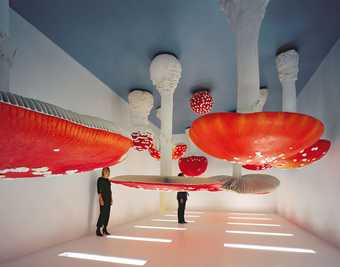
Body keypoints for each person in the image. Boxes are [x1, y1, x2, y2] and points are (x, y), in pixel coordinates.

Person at [96, 167, 112, 236]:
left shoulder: (108, 180)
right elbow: (99, 191)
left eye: (107, 171)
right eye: (105, 171)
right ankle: (98, 229)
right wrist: (100, 199)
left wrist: (111, 198)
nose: (106, 172)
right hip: (103, 198)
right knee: (102, 214)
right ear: (103, 171)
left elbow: (110, 191)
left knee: (107, 214)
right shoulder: (100, 179)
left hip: (108, 198)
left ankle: (105, 229)